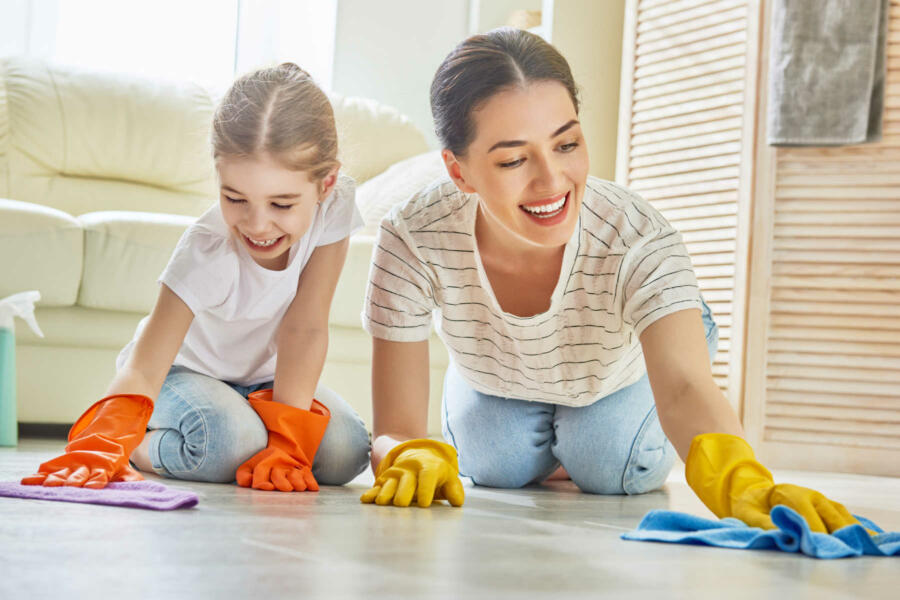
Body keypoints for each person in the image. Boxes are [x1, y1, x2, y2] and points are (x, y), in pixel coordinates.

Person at [359, 28, 860, 534]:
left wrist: (743, 479)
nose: (552, 181)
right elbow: (396, 426)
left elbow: (685, 387)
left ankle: (575, 438)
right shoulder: (413, 236)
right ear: (459, 172)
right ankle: (553, 431)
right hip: (502, 365)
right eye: (513, 159)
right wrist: (404, 452)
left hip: (625, 361)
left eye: (567, 144)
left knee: (608, 465)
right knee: (493, 468)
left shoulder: (636, 236)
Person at [23, 63, 370, 492]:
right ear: (218, 174)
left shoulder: (335, 207)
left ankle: (254, 428)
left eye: (282, 204)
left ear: (326, 183)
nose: (257, 225)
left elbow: (306, 325)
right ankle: (141, 447)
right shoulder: (206, 251)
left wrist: (289, 442)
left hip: (263, 381)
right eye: (234, 197)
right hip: (182, 376)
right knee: (227, 443)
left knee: (347, 452)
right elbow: (147, 363)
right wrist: (105, 442)